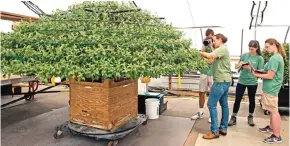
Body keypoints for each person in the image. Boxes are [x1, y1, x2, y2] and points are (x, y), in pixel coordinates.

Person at [251, 38, 286, 144]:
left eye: (267, 47)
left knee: (274, 111)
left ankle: (276, 136)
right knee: (271, 110)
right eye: (265, 47)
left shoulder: (275, 58)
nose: (266, 49)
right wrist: (258, 71)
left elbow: (270, 75)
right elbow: (268, 71)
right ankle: (271, 128)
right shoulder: (276, 57)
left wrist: (256, 74)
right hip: (271, 88)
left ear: (274, 45)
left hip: (271, 88)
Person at [200, 33, 232, 139]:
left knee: (211, 104)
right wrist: (202, 54)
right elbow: (210, 61)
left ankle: (214, 131)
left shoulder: (222, 49)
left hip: (220, 81)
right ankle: (223, 128)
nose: (213, 42)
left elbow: (210, 55)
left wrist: (198, 52)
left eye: (214, 40)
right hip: (226, 81)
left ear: (220, 39)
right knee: (224, 104)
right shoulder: (220, 51)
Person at [228, 40, 264, 127]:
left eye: (252, 49)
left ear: (256, 48)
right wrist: (240, 64)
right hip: (242, 81)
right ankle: (233, 116)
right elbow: (236, 67)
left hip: (252, 82)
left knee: (252, 100)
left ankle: (250, 116)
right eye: (249, 49)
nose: (250, 50)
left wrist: (250, 68)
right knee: (238, 99)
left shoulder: (260, 58)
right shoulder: (244, 55)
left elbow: (261, 71)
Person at [191, 29, 215, 123]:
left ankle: (212, 115)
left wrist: (211, 45)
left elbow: (214, 57)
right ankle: (200, 112)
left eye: (211, 37)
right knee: (201, 92)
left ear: (213, 36)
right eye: (207, 37)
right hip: (204, 71)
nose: (209, 39)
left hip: (212, 72)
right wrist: (205, 44)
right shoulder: (204, 44)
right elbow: (201, 56)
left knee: (213, 94)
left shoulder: (216, 45)